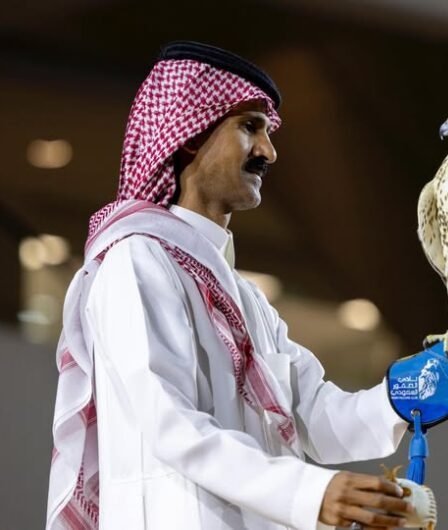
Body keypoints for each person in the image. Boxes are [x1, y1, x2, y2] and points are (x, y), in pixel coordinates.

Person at [47, 41, 412, 530]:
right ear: (190, 134)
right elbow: (170, 422)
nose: (268, 151)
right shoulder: (135, 260)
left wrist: (424, 385)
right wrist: (309, 492)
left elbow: (318, 418)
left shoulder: (247, 301)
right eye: (249, 127)